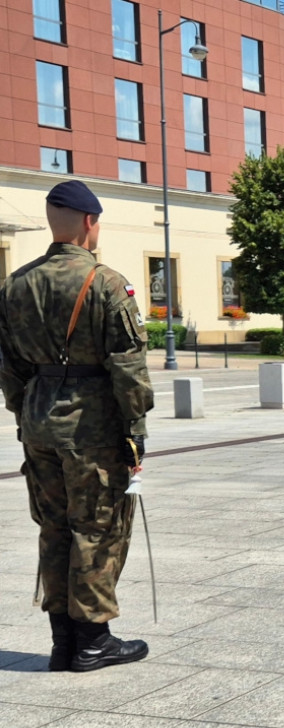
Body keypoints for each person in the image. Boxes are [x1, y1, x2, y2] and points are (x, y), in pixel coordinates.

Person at [0, 180, 153, 672]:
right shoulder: (107, 283)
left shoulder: (15, 284)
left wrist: (26, 409)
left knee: (54, 527)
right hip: (91, 424)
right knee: (98, 525)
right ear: (90, 222)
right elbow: (128, 365)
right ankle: (93, 640)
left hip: (39, 419)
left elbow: (7, 364)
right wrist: (135, 429)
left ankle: (62, 640)